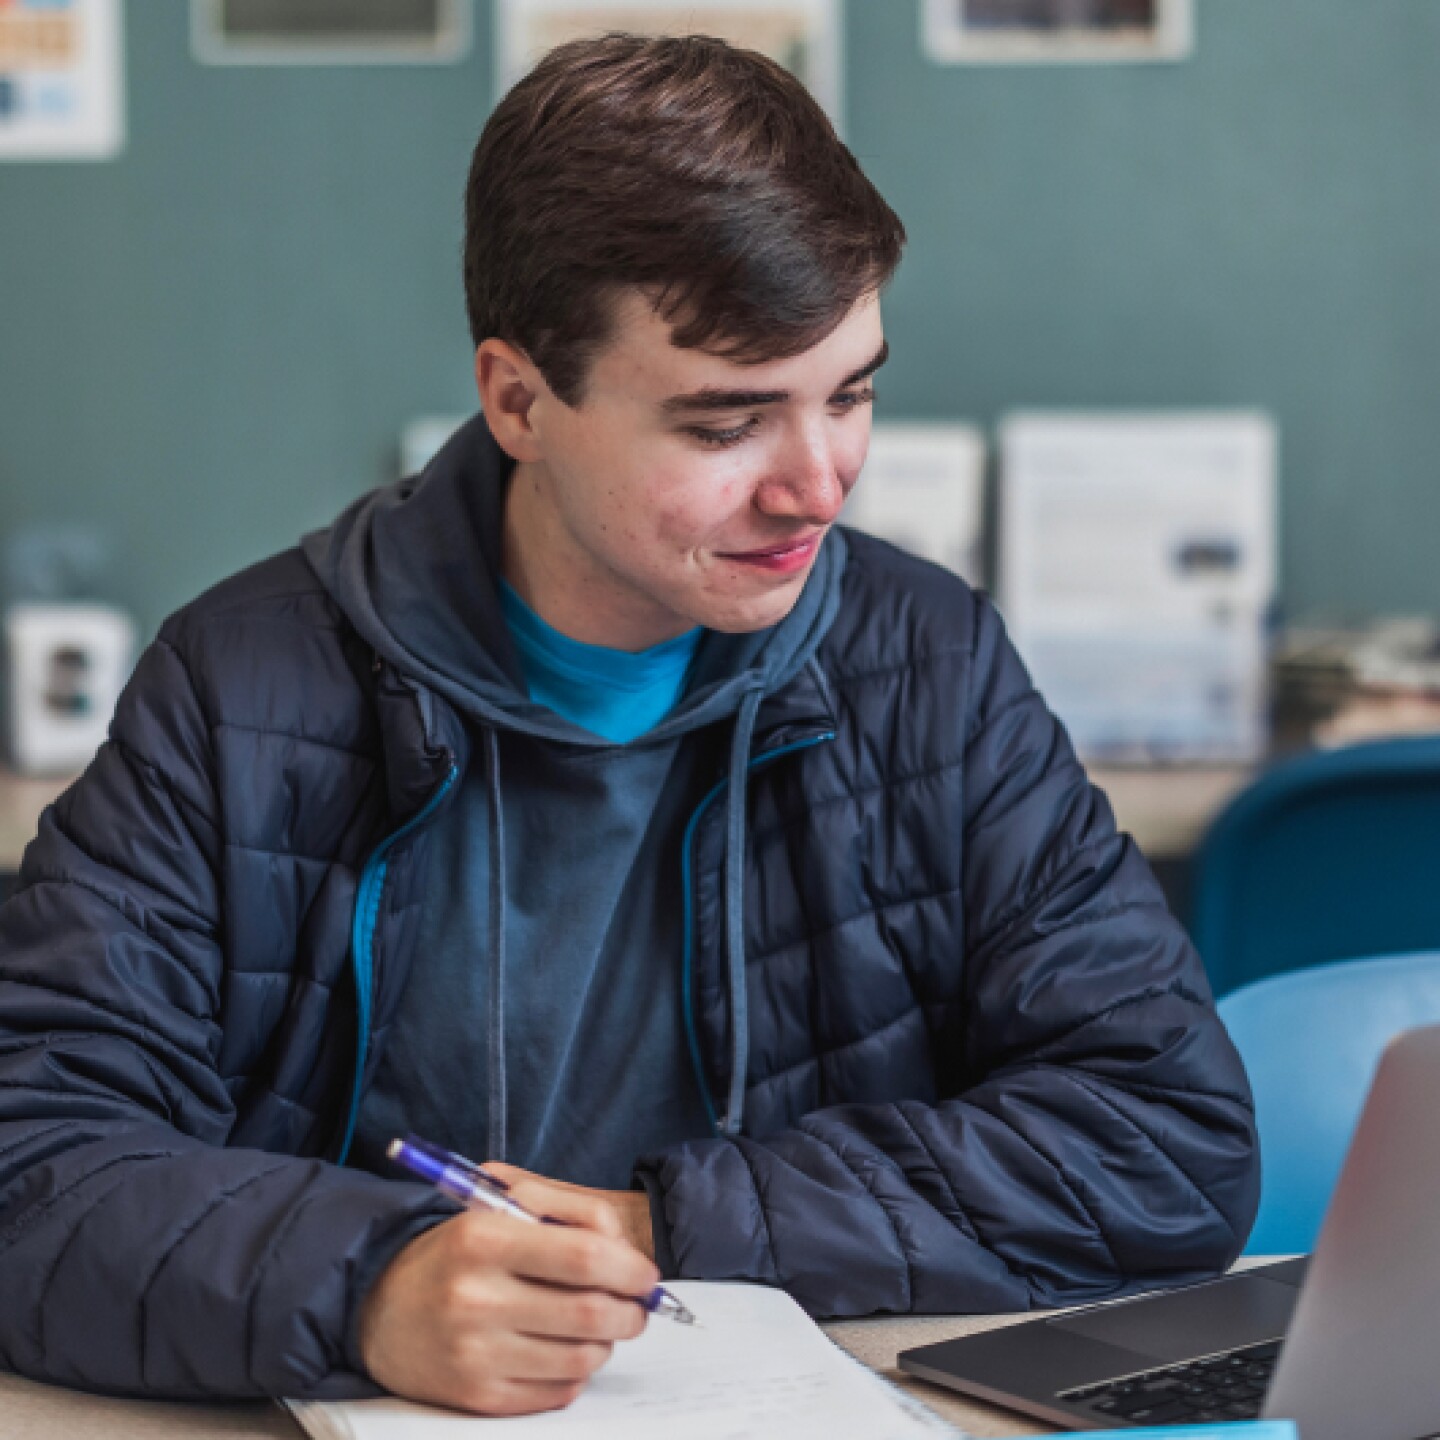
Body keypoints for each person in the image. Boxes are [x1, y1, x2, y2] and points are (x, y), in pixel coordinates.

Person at [0, 32, 1258, 1419]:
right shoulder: (238, 691)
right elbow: (29, 1164)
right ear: (519, 399)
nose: (818, 488)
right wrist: (366, 1286)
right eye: (728, 426)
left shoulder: (930, 663)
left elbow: (1166, 1143)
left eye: (850, 395)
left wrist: (667, 1228)